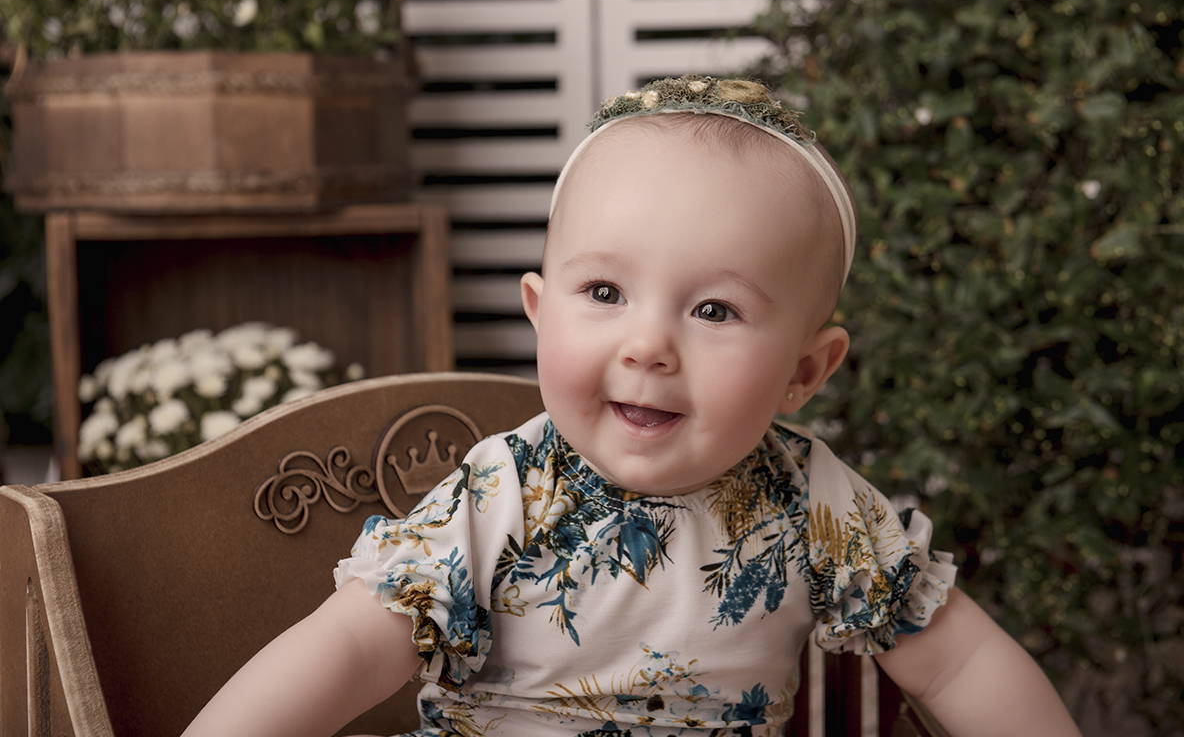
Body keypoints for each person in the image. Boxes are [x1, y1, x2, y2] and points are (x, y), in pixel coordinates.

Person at [182, 76, 1082, 737]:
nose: (648, 345)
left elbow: (960, 660)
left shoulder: (816, 502)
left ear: (806, 371)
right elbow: (347, 649)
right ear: (540, 312)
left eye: (715, 311)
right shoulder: (508, 490)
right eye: (605, 292)